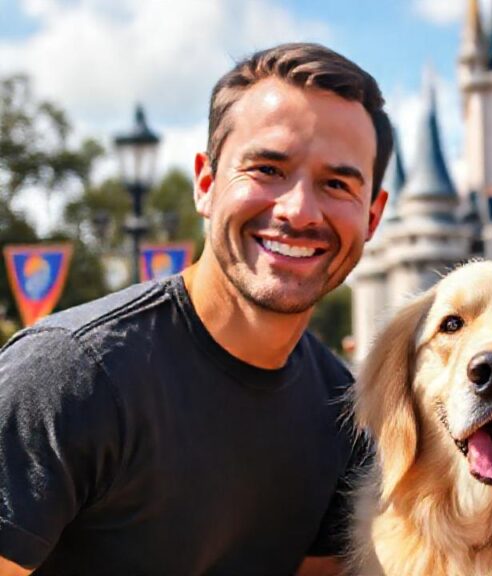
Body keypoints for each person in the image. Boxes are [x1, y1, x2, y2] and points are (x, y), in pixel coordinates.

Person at [0, 43, 391, 575]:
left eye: (336, 184)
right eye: (267, 168)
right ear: (206, 184)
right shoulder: (69, 377)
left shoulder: (343, 417)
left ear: (373, 215)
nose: (299, 210)